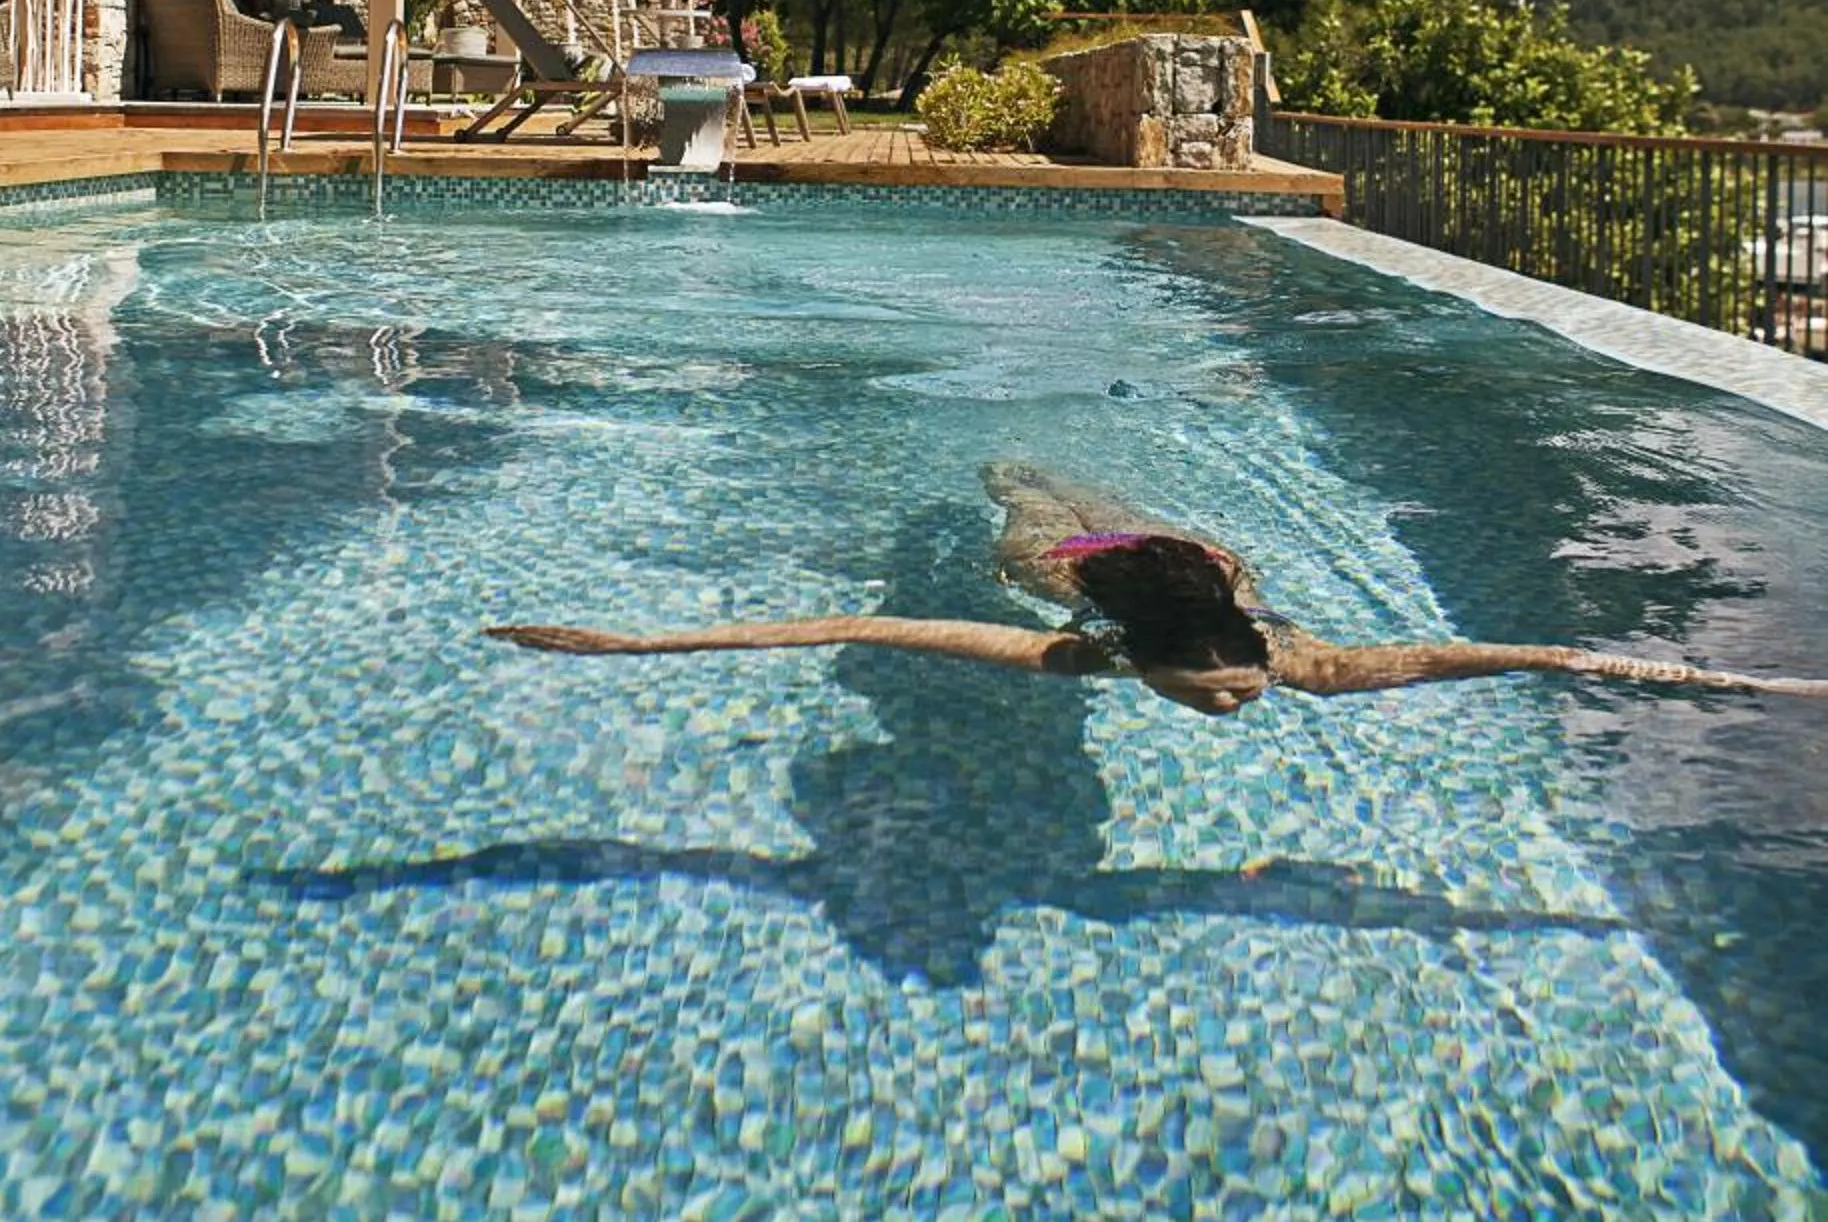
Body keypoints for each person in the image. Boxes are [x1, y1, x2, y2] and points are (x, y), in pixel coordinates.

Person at [488, 463, 1828, 717]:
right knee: (1028, 509)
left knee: (1089, 496)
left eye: (1236, 682)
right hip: (1076, 567)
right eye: (1227, 687)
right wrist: (623, 644)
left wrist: (1717, 682)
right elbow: (852, 621)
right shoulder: (1079, 649)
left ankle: (1062, 480)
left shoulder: (1301, 663)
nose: (1240, 700)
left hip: (1174, 553)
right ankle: (1024, 475)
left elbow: (1509, 656)